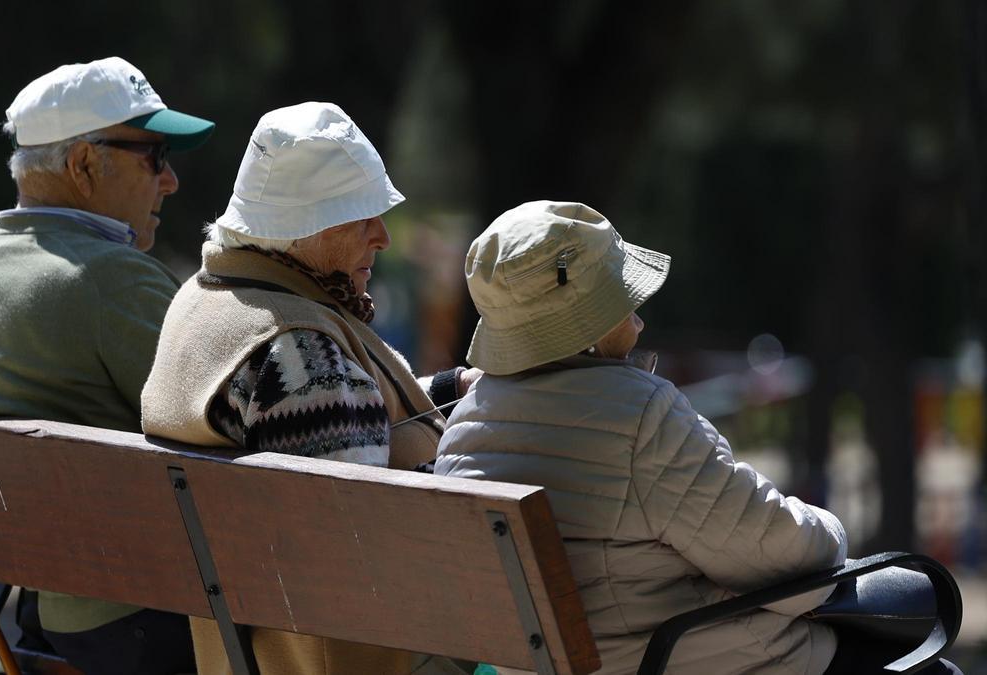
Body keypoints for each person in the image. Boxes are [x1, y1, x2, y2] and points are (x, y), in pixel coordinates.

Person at [438, 200, 855, 674]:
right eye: (619, 297)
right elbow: (790, 557)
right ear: (585, 325)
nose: (638, 317)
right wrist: (831, 528)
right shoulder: (639, 417)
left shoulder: (463, 426)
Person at [142, 101, 479, 675]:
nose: (383, 237)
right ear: (306, 227)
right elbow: (364, 541)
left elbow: (330, 420)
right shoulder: (298, 353)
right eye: (362, 217)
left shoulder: (207, 300)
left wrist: (451, 387)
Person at [0, 56, 214, 675]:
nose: (170, 182)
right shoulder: (112, 280)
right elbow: (230, 425)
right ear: (84, 165)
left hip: (36, 616)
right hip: (142, 615)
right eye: (155, 157)